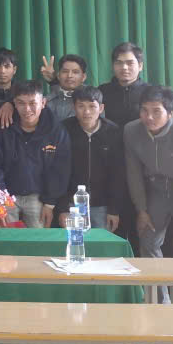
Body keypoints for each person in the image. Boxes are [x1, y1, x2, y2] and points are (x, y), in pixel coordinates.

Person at [124, 85, 173, 301]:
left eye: (156, 111)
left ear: (170, 113)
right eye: (144, 110)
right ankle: (161, 303)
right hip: (155, 192)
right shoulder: (131, 131)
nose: (149, 117)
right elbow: (133, 173)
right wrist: (141, 210)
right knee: (148, 242)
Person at [0, 81, 69, 226]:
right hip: (5, 195)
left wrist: (49, 203)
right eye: (21, 103)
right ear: (14, 103)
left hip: (38, 196)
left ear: (43, 102)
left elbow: (60, 169)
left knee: (37, 238)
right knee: (4, 237)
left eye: (32, 103)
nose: (27, 109)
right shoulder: (2, 126)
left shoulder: (56, 130)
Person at [60, 86, 126, 234]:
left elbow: (118, 174)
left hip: (102, 205)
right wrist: (62, 208)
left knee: (101, 246)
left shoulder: (113, 132)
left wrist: (114, 210)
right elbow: (59, 172)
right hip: (72, 204)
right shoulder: (64, 130)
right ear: (74, 107)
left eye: (92, 106)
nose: (87, 112)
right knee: (75, 243)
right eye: (81, 106)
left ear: (101, 108)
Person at [99, 41, 150, 127]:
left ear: (140, 66)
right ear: (113, 66)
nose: (124, 67)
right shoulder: (102, 91)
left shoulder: (150, 92)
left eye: (130, 63)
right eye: (119, 63)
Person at [39, 53, 87, 122]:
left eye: (75, 72)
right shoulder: (45, 101)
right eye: (65, 71)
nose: (69, 75)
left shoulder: (92, 100)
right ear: (58, 75)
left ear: (83, 77)